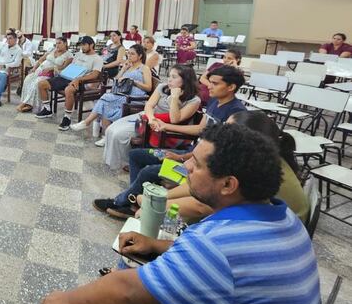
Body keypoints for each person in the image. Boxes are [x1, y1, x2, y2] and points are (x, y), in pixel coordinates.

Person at [38, 123, 321, 304]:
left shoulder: (215, 245)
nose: (186, 167)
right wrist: (159, 245)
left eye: (196, 165)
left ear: (227, 184)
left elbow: (128, 292)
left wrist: (65, 300)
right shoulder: (281, 217)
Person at [94, 64, 246, 218]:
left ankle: (122, 202)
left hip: (198, 160)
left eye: (215, 83)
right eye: (210, 82)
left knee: (149, 170)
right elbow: (200, 129)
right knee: (136, 155)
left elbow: (219, 152)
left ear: (231, 87)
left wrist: (180, 157)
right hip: (190, 153)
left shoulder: (236, 114)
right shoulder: (215, 102)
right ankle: (134, 201)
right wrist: (166, 126)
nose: (209, 86)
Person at [137, 111, 309, 224]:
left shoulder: (257, 170)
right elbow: (198, 188)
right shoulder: (260, 158)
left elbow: (203, 205)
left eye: (229, 130)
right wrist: (161, 199)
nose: (222, 133)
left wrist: (155, 205)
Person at [99, 64, 200, 171]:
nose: (169, 80)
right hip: (148, 117)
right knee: (111, 129)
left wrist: (174, 98)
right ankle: (113, 162)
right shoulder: (163, 87)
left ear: (186, 80)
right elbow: (149, 105)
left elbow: (175, 119)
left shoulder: (194, 100)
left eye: (174, 77)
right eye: (169, 76)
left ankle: (125, 163)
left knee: (119, 134)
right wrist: (151, 118)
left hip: (165, 127)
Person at [70, 44, 153, 146]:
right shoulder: (129, 67)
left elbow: (148, 87)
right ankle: (105, 136)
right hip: (123, 94)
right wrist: (123, 69)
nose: (129, 56)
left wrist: (134, 82)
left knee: (106, 98)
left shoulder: (144, 68)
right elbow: (116, 80)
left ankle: (87, 123)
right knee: (106, 104)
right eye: (128, 54)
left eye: (132, 54)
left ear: (140, 56)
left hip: (135, 97)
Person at [36, 36, 103, 131]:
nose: (82, 47)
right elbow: (72, 66)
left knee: (69, 90)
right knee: (41, 84)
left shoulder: (97, 59)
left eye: (84, 45)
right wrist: (62, 73)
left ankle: (67, 118)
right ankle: (47, 109)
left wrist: (79, 79)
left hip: (82, 81)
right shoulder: (79, 54)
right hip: (68, 77)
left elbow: (95, 74)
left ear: (91, 45)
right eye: (81, 45)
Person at [17, 37, 72, 113]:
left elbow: (63, 67)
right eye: (56, 43)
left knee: (37, 82)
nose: (57, 45)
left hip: (53, 73)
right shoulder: (52, 50)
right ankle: (27, 103)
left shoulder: (69, 55)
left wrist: (51, 68)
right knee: (28, 79)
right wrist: (34, 68)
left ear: (65, 43)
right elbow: (41, 59)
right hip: (41, 69)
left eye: (59, 43)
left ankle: (27, 104)